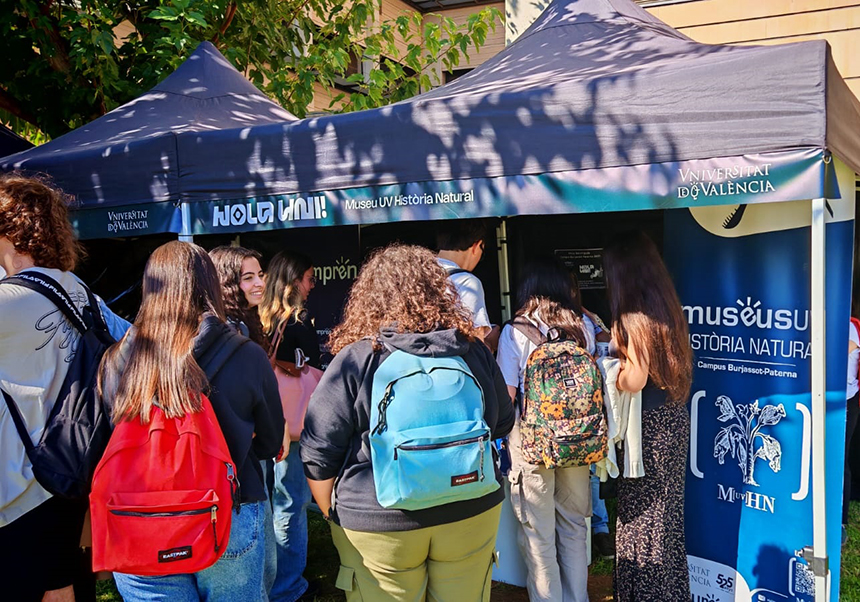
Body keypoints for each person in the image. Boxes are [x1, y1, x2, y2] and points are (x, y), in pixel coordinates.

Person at [301, 244, 514, 601]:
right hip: (470, 507)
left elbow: (318, 450)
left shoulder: (358, 359)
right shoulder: (472, 350)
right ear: (440, 291)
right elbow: (503, 422)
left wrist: (333, 512)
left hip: (379, 521)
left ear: (368, 296)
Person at [98, 241, 283, 601]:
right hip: (227, 511)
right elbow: (270, 443)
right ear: (211, 285)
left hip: (140, 519)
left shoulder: (116, 359)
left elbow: (110, 435)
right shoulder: (248, 355)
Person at [0, 174, 130, 602]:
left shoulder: (9, 302)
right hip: (78, 471)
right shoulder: (80, 292)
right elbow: (134, 345)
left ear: (9, 230)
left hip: (22, 487)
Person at [495, 256, 598, 602]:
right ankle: (577, 597)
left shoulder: (515, 331)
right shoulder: (583, 324)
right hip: (578, 442)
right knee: (573, 526)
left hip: (531, 442)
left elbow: (508, 395)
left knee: (538, 533)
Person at [602, 231, 693, 602]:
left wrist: (610, 369)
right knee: (667, 518)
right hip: (672, 421)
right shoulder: (667, 308)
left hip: (647, 434)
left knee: (641, 520)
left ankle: (644, 592)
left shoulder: (629, 319)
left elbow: (634, 379)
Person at [259, 250, 320, 602]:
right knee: (290, 504)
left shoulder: (258, 320)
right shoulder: (298, 322)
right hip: (291, 427)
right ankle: (288, 588)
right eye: (309, 278)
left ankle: (269, 581)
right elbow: (309, 369)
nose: (312, 286)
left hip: (262, 421)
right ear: (295, 281)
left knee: (266, 502)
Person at [437, 219, 500, 351]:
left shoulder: (416, 274)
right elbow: (475, 346)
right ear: (477, 246)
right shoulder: (466, 282)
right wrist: (490, 341)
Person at [209, 245, 267, 348]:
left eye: (260, 275)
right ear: (226, 283)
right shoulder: (226, 329)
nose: (260, 283)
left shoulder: (244, 319)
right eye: (248, 278)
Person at [844, 303, 860, 544]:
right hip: (818, 402)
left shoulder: (849, 326)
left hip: (845, 403)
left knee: (838, 461)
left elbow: (837, 353)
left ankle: (840, 523)